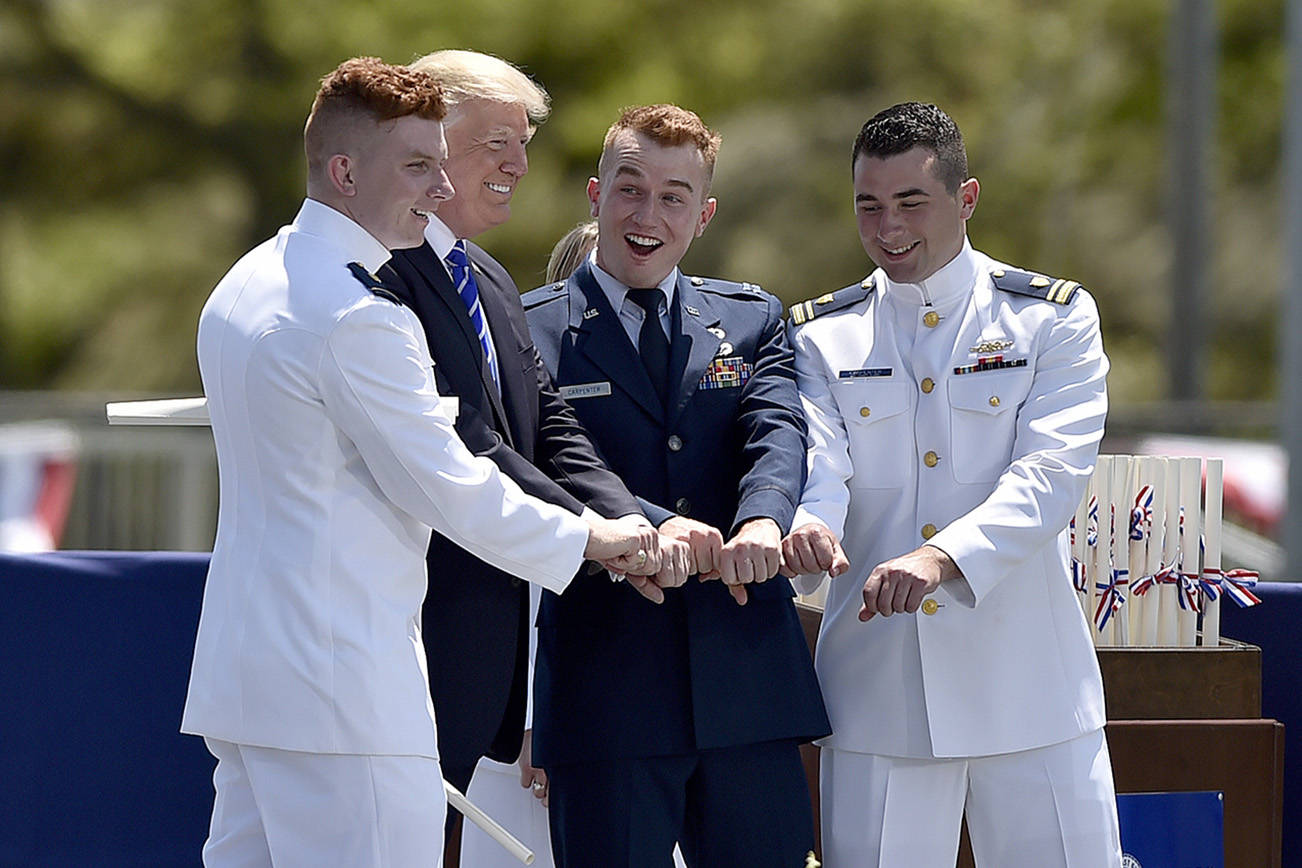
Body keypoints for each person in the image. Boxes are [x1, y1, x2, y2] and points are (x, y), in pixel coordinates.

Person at [181, 57, 662, 868]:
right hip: (345, 692)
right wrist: (591, 541)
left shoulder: (248, 279)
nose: (440, 190)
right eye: (415, 167)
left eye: (441, 166)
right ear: (343, 172)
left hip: (247, 685)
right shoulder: (359, 314)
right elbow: (451, 484)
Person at [781, 101, 1121, 867]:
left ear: (966, 199)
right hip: (880, 694)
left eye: (911, 203)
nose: (888, 227)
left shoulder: (1051, 320)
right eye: (869, 206)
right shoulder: (819, 334)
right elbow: (821, 464)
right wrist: (811, 527)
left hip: (1029, 689)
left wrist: (941, 559)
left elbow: (1051, 472)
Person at [378, 54, 679, 848]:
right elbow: (468, 439)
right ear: (430, 143)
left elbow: (545, 427)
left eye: (523, 144)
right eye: (495, 144)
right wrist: (600, 535)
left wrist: (625, 521)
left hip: (483, 649)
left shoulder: (483, 274)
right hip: (411, 634)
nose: (517, 165)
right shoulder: (386, 274)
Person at [522, 104, 830, 868]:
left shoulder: (752, 319)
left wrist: (764, 522)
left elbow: (778, 431)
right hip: (608, 689)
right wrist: (658, 526)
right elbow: (548, 464)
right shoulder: (528, 329)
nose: (647, 214)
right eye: (630, 188)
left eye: (674, 196)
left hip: (746, 680)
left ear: (704, 215)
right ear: (595, 195)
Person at [461, 220, 691, 868]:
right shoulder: (527, 382)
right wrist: (539, 715)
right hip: (535, 713)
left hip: (647, 706)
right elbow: (522, 560)